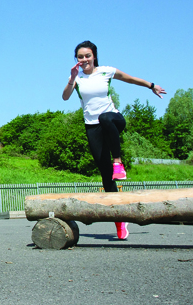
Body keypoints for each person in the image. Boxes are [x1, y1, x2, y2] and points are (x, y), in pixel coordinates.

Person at [62, 40, 166, 240]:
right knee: (105, 173)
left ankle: (118, 162)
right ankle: (120, 219)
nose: (84, 59)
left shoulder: (106, 71)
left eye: (87, 56)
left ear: (94, 56)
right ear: (76, 59)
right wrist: (72, 78)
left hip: (113, 119)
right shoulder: (76, 78)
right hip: (92, 126)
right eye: (80, 56)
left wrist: (151, 86)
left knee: (105, 117)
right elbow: (65, 97)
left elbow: (131, 79)